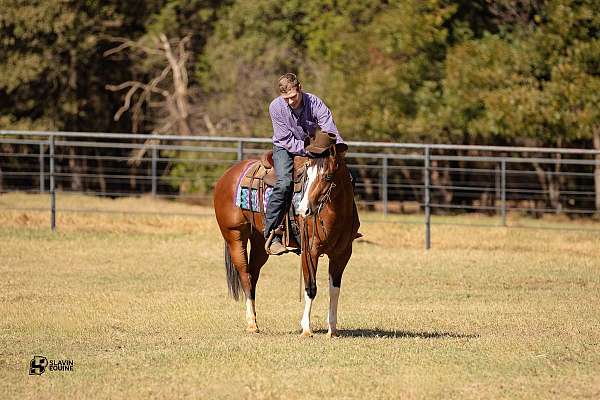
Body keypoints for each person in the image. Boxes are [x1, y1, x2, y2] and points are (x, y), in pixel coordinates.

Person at [264, 73, 345, 255]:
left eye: (293, 96)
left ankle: (346, 227)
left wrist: (337, 148)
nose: (291, 101)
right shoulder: (276, 107)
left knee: (344, 175)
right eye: (286, 99)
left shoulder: (314, 102)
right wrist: (310, 150)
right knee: (284, 183)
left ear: (300, 88)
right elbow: (285, 139)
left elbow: (329, 127)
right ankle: (271, 234)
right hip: (284, 147)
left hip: (311, 145)